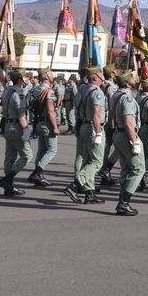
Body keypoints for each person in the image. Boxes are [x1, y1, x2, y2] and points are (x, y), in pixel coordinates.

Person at [64, 68, 107, 204]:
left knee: (87, 160)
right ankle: (75, 185)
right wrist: (98, 132)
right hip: (92, 127)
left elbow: (77, 110)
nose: (103, 77)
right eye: (100, 75)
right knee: (96, 162)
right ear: (95, 77)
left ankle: (90, 193)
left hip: (82, 125)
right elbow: (96, 114)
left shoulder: (81, 89)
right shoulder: (97, 92)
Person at [110, 73, 144, 216]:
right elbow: (129, 122)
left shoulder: (116, 95)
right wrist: (134, 141)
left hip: (118, 134)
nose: (134, 78)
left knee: (126, 169)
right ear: (127, 83)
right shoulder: (127, 99)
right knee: (138, 169)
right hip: (127, 134)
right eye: (131, 77)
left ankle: (121, 201)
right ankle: (124, 202)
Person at [27, 70, 60, 188]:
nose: (53, 75)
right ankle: (37, 173)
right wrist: (55, 126)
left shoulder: (35, 89)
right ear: (46, 76)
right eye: (51, 73)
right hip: (47, 123)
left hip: (38, 122)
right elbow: (51, 111)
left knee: (41, 150)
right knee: (52, 150)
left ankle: (38, 177)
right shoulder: (48, 91)